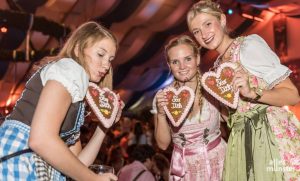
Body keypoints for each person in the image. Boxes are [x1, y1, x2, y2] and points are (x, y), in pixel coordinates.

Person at [187, 1, 300, 180]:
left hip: (269, 135)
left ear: (222, 20)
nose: (203, 34)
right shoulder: (215, 72)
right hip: (240, 142)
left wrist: (253, 93)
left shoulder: (248, 47)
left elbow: (292, 95)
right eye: (196, 31)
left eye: (207, 24)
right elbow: (230, 118)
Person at [0, 21, 122, 181]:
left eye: (110, 59)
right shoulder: (71, 70)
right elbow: (41, 139)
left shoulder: (76, 91)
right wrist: (93, 179)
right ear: (78, 49)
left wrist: (104, 126)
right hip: (18, 161)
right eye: (101, 54)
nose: (106, 65)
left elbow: (77, 164)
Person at [152, 35, 226, 180]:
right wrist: (161, 114)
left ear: (197, 59)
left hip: (219, 162)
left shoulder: (212, 88)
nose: (182, 67)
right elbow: (162, 144)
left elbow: (232, 122)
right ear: (169, 65)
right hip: (185, 169)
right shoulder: (163, 97)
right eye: (175, 62)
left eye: (188, 59)